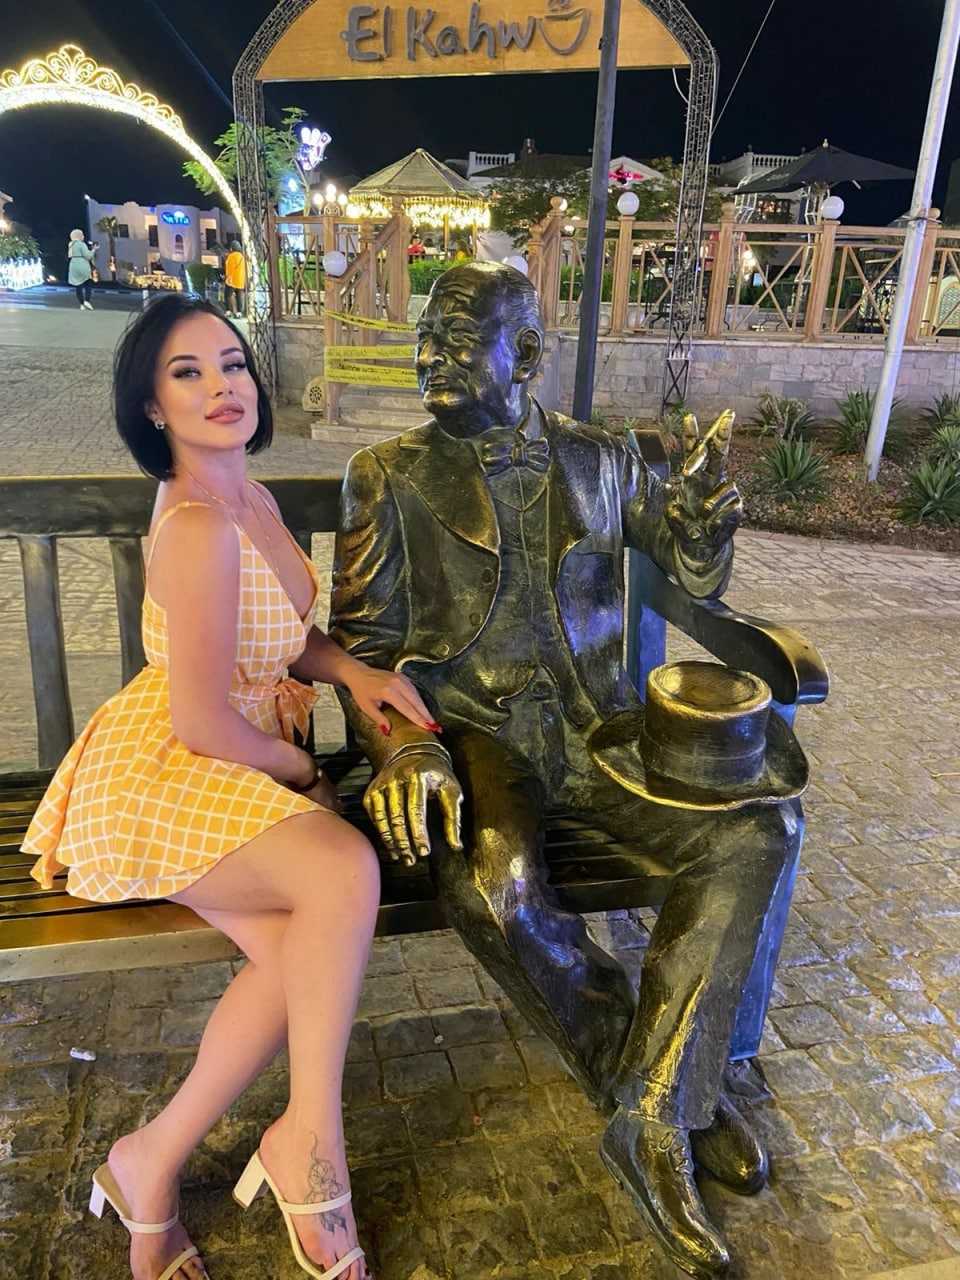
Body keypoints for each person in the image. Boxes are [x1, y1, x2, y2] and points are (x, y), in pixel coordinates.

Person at [329, 262, 802, 1278]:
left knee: (761, 828)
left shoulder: (603, 458)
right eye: (428, 338)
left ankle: (651, 1112)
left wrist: (702, 528)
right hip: (476, 735)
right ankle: (663, 1085)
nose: (432, 355)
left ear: (529, 356)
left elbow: (687, 567)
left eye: (461, 340)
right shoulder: (387, 474)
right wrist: (406, 746)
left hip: (602, 732)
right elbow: (361, 649)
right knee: (492, 887)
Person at [23, 295, 438, 1280]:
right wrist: (305, 771)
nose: (223, 387)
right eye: (188, 373)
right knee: (342, 869)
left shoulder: (251, 500)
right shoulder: (199, 525)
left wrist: (355, 674)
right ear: (152, 407)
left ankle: (149, 1160)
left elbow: (286, 636)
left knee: (303, 948)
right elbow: (204, 722)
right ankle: (312, 1144)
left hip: (228, 756)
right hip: (171, 766)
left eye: (233, 364)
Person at [68, 228, 97, 310]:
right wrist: (93, 250)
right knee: (88, 283)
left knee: (78, 285)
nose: (83, 236)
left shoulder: (70, 244)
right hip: (82, 263)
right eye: (82, 235)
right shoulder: (81, 244)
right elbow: (88, 256)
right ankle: (87, 301)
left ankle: (81, 304)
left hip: (73, 264)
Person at [224, 241, 246, 318]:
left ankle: (228, 311)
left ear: (232, 248)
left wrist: (227, 277)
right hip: (240, 280)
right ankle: (239, 313)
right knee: (239, 296)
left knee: (227, 295)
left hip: (231, 280)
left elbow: (229, 268)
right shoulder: (242, 257)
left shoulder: (231, 256)